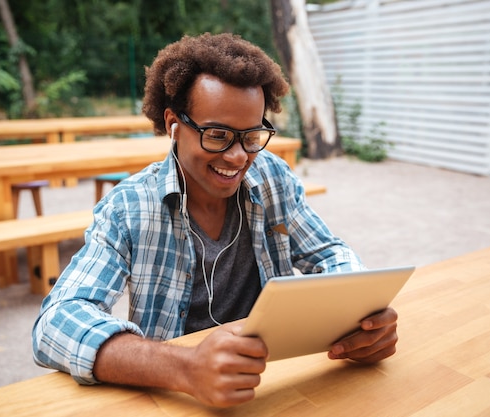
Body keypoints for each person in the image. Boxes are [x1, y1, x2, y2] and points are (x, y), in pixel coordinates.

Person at [32, 32, 399, 408]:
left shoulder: (272, 177)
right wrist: (185, 368)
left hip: (273, 386)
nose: (239, 157)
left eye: (252, 136)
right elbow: (56, 321)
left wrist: (362, 321)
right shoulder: (128, 208)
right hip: (177, 397)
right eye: (218, 135)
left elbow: (329, 253)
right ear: (174, 123)